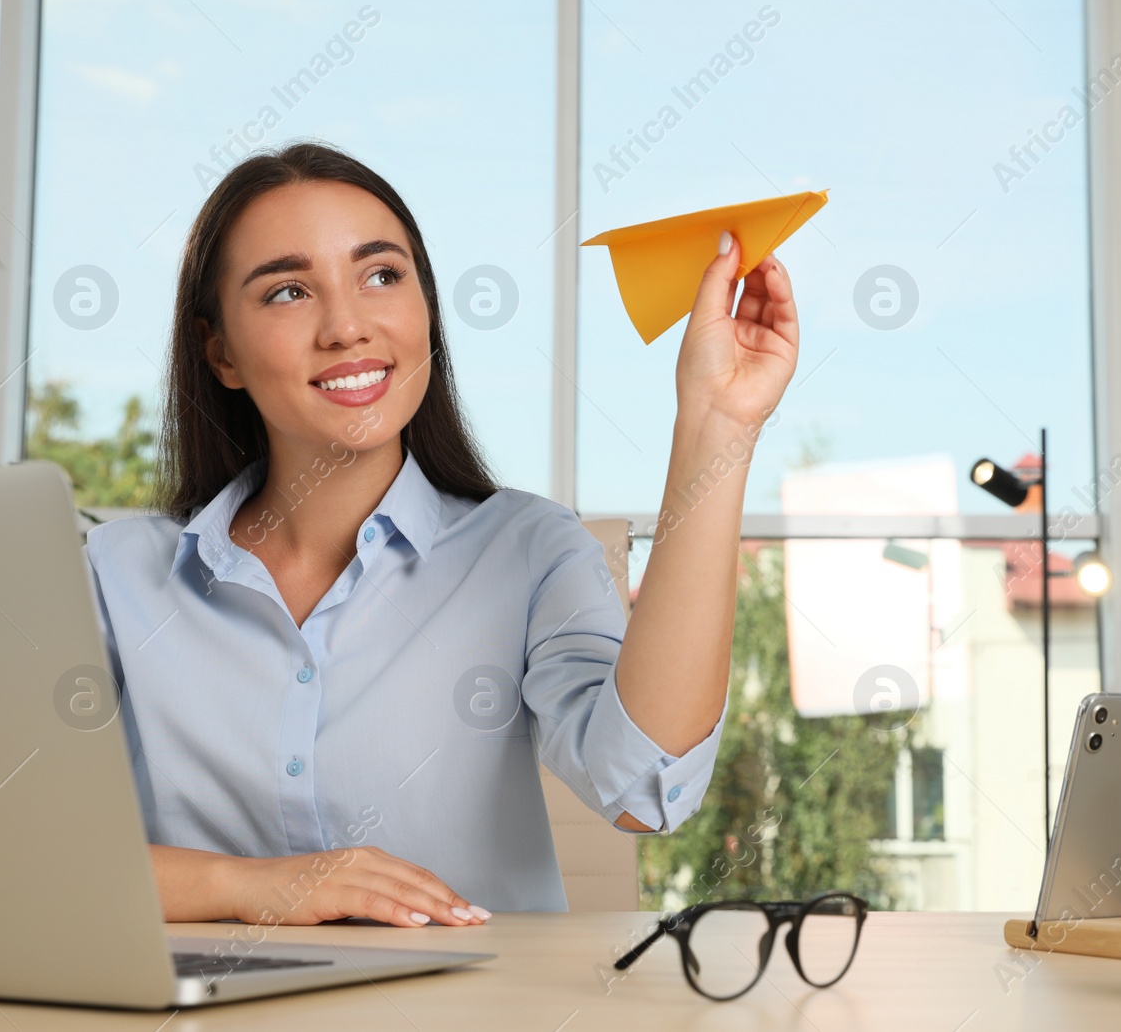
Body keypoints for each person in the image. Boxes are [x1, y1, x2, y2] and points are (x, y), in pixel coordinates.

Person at [82, 142, 799, 929]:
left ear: (426, 310)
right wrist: (267, 886)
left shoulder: (529, 549)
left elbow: (645, 787)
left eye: (382, 274)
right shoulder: (117, 575)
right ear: (220, 351)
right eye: (288, 291)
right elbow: (23, 857)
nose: (347, 325)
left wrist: (717, 426)